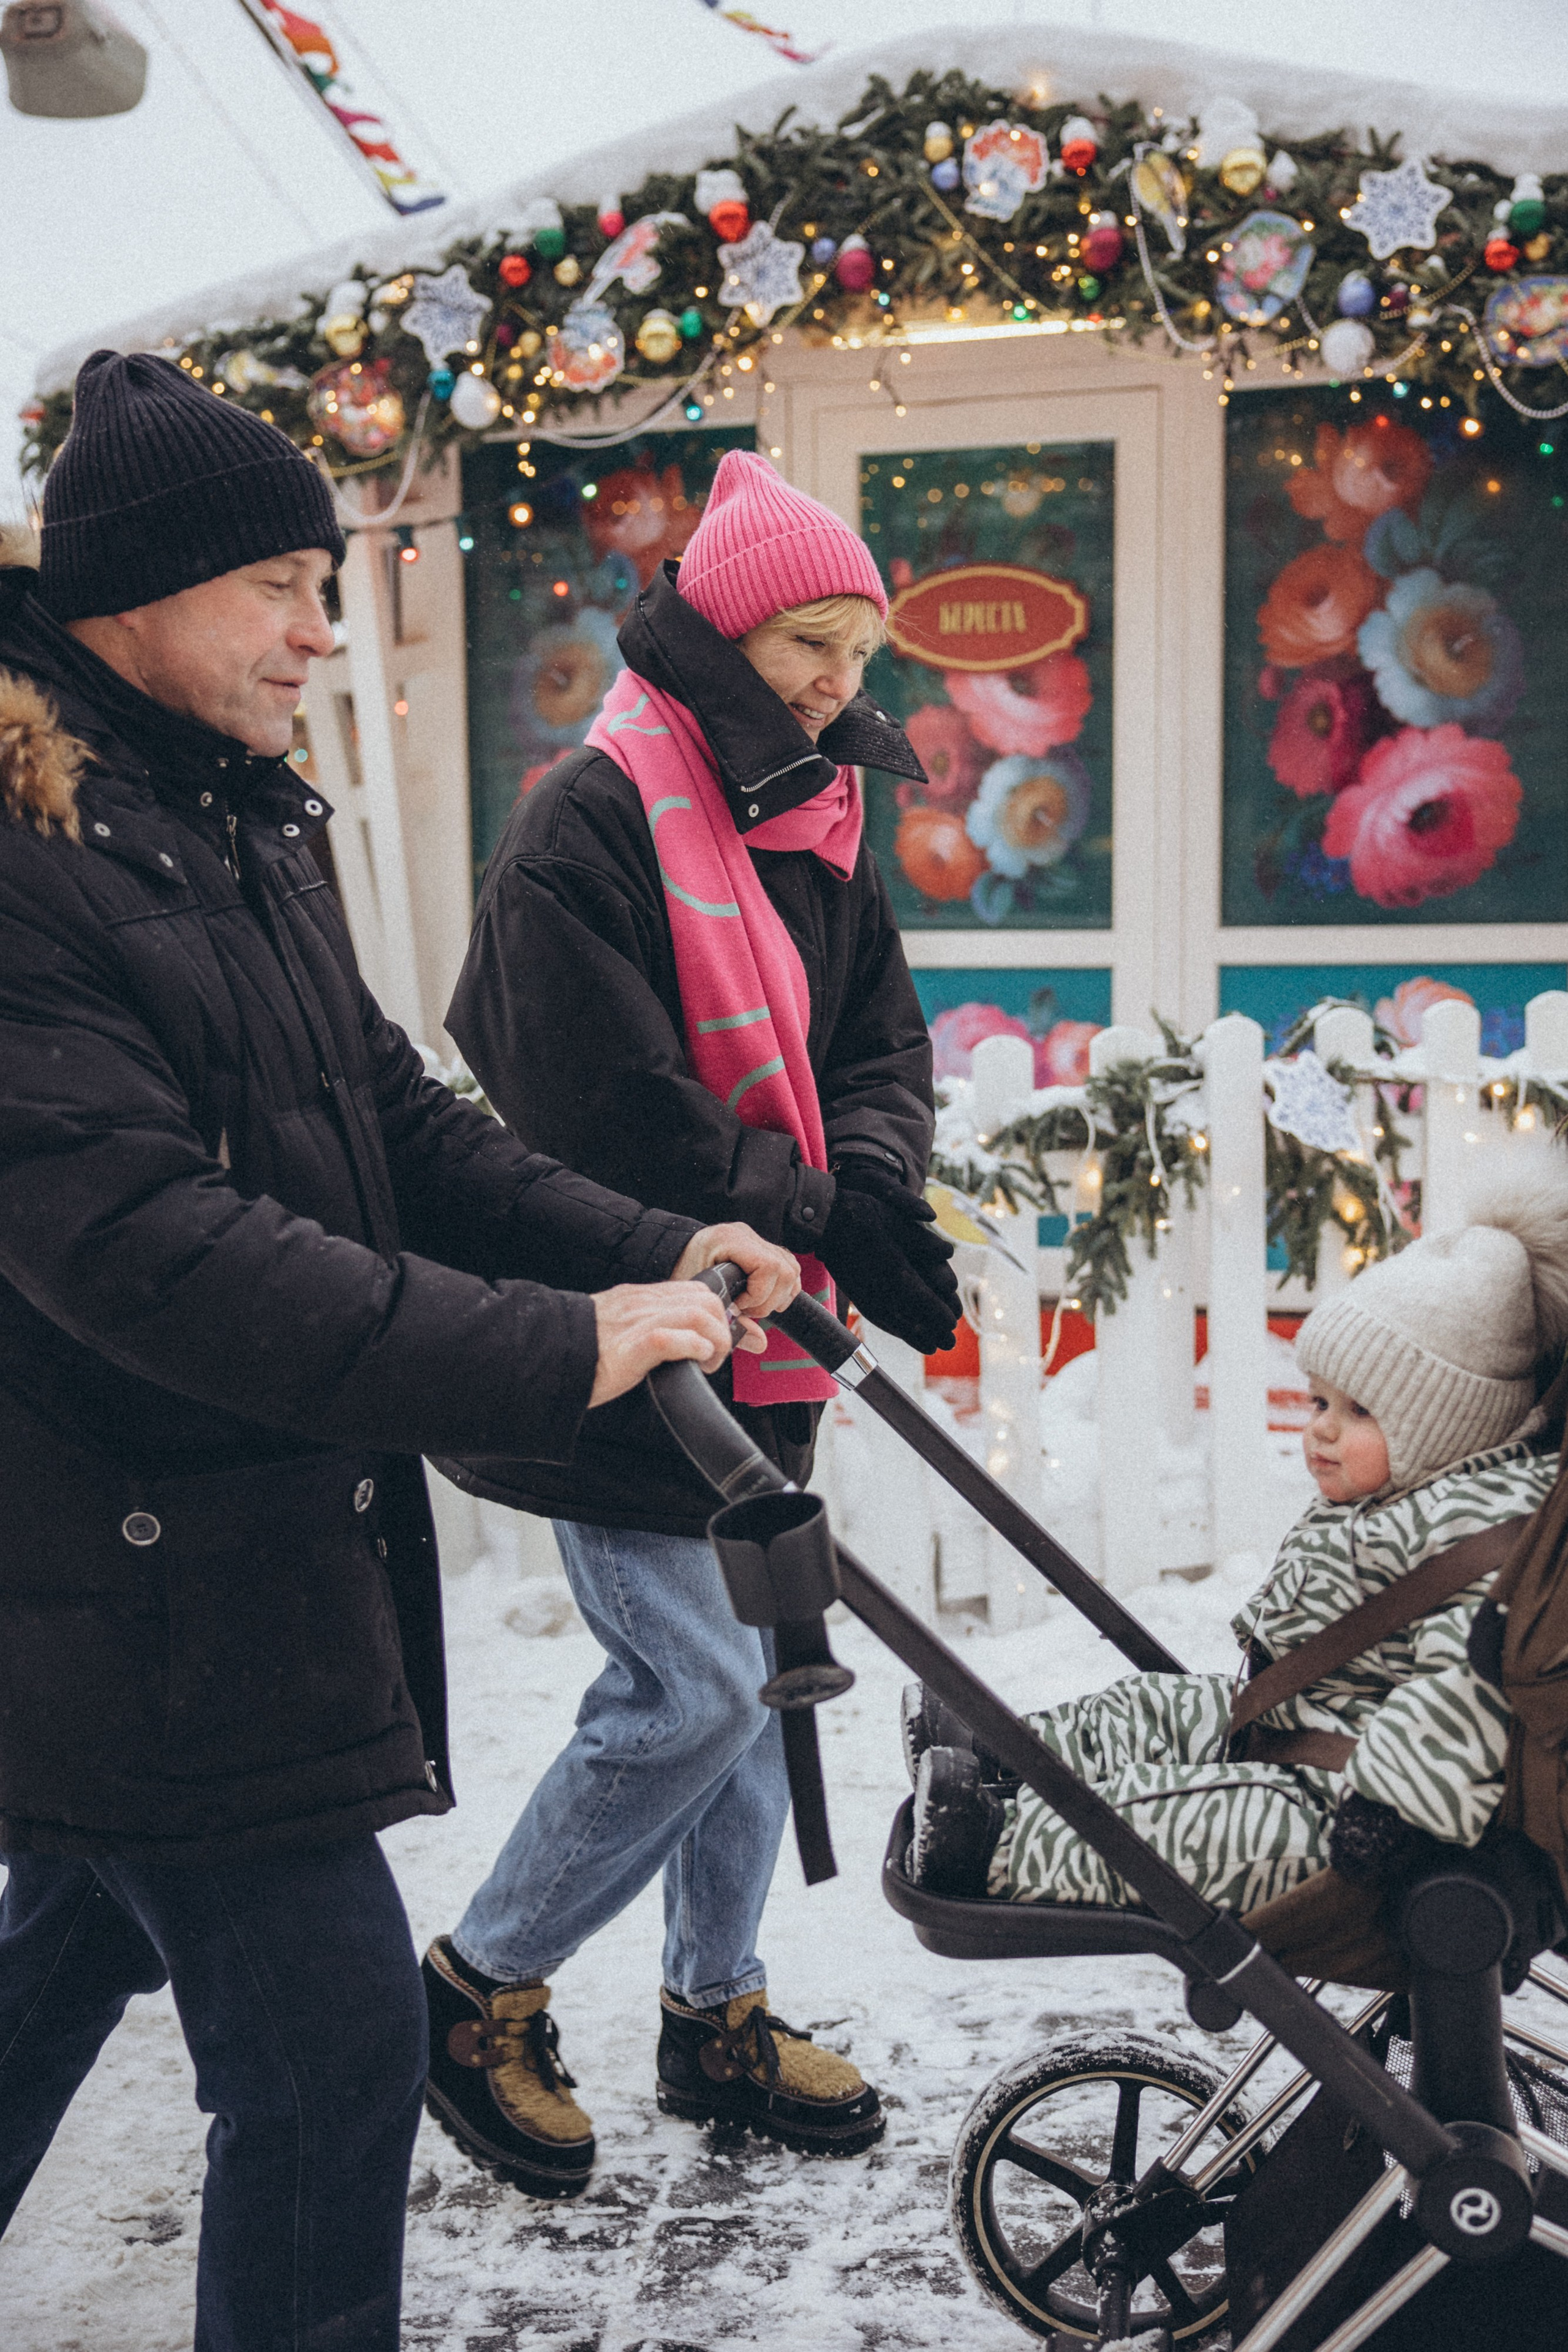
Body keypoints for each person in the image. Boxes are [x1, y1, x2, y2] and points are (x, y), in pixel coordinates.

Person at [0, 352, 799, 2352]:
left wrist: (650, 1250)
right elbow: (157, 1254)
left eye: (331, 579)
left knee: (69, 1953)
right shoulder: (30, 868)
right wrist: (565, 1348)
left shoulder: (243, 824)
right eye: (281, 580)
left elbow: (397, 1122)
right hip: (143, 1585)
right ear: (137, 593)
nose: (317, 629)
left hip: (218, 1571)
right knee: (337, 2059)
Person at [427, 450, 959, 2194]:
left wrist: (863, 1191)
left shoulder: (807, 805)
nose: (839, 683)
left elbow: (878, 1037)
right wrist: (809, 1216)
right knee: (699, 1684)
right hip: (622, 1319)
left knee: (759, 1679)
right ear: (726, 632)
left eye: (858, 652)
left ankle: (710, 2014)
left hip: (765, 1325)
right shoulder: (593, 816)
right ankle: (479, 1986)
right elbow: (590, 1105)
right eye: (812, 642)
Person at [907, 1178, 1568, 1912]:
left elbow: (1464, 1699)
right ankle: (1001, 1753)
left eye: (1357, 1411)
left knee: (1192, 1818)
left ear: (1446, 1428)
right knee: (1154, 1709)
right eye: (1319, 1400)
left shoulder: (1482, 1534)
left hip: (1365, 1804)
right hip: (1310, 1720)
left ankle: (992, 1837)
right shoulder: (1403, 1495)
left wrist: (1391, 1806)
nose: (1319, 1426)